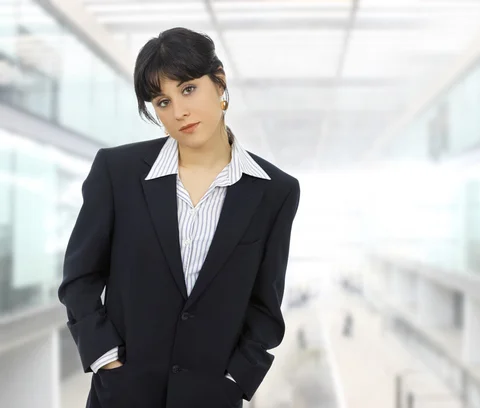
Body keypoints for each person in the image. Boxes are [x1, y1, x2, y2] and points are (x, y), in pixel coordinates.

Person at [57, 27, 300, 408]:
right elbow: (80, 279)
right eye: (162, 101)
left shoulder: (275, 191)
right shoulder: (117, 172)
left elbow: (265, 307)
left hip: (211, 398)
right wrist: (105, 359)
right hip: (123, 395)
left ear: (219, 82)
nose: (179, 112)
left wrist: (235, 380)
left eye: (188, 89)